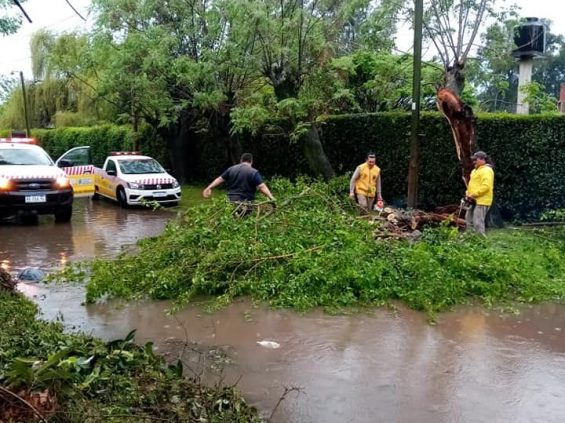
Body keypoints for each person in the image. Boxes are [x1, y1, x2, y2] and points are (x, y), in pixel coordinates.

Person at [202, 153, 275, 204]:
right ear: (251, 161)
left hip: (230, 201)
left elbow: (219, 179)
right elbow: (262, 186)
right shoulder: (253, 172)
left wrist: (208, 187)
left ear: (241, 160)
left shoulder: (231, 169)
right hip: (246, 203)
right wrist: (271, 197)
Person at [464, 151, 494, 235]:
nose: (474, 162)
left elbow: (486, 186)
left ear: (482, 159)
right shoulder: (475, 171)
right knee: (468, 219)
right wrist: (467, 193)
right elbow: (472, 185)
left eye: (475, 160)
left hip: (482, 201)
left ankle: (481, 242)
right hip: (473, 199)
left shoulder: (487, 170)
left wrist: (473, 194)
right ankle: (470, 238)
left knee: (478, 222)